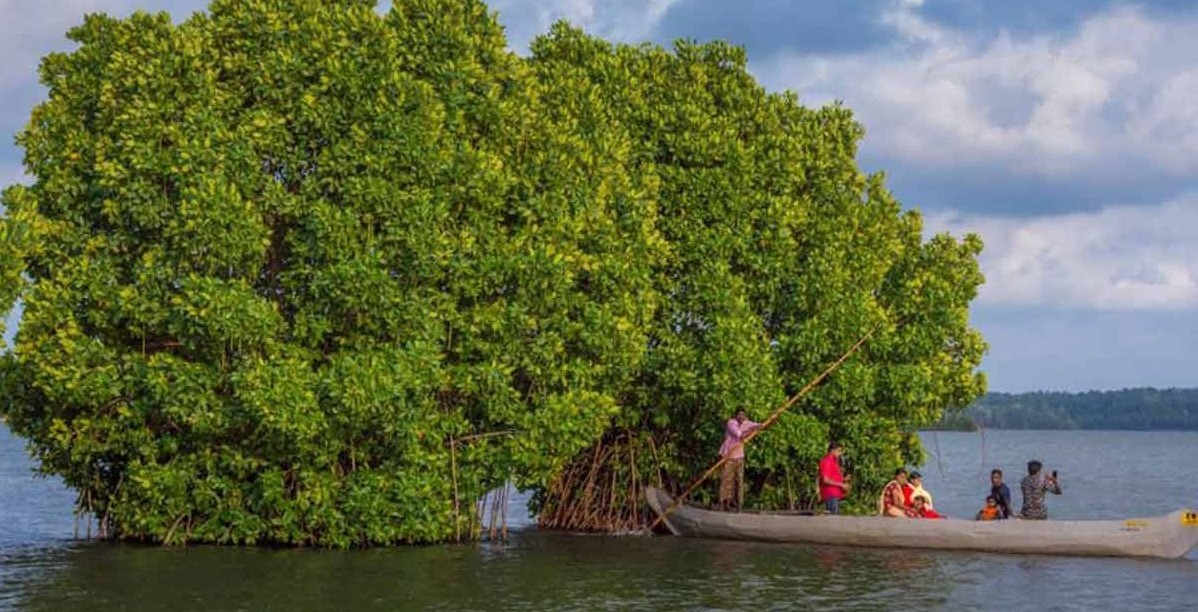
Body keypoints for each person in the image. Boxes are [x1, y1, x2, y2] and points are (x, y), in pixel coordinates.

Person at [718, 408, 760, 511]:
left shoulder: (746, 423)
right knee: (726, 480)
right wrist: (749, 432)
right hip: (728, 456)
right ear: (736, 415)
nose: (741, 417)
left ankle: (738, 505)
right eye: (739, 415)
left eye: (743, 415)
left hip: (739, 457)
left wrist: (761, 426)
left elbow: (757, 425)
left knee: (739, 481)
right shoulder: (731, 423)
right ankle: (723, 503)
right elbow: (738, 434)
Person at [818, 441, 850, 514]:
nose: (840, 454)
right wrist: (841, 485)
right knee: (832, 518)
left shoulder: (834, 462)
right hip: (830, 494)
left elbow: (833, 477)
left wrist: (844, 479)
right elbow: (825, 480)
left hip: (835, 494)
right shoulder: (826, 461)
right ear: (832, 450)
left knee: (834, 517)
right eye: (838, 451)